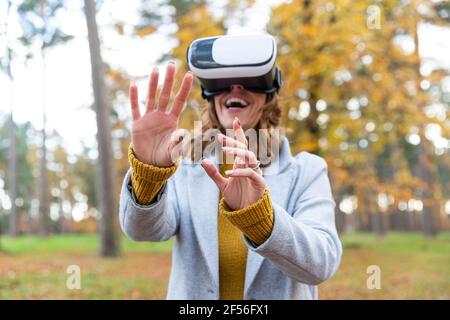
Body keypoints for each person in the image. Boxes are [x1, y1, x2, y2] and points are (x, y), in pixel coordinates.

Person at [119, 37, 342, 300]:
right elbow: (143, 231)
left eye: (250, 80)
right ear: (209, 96)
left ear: (268, 95)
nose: (235, 88)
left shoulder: (307, 170)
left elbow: (321, 264)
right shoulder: (185, 163)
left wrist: (260, 218)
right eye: (221, 82)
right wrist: (149, 176)